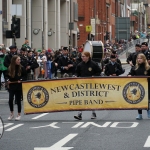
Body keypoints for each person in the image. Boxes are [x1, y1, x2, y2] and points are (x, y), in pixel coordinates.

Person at [74, 51, 102, 120]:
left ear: (88, 57)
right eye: (82, 56)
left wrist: (94, 76)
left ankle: (93, 112)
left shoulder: (93, 64)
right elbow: (77, 73)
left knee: (91, 99)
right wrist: (75, 77)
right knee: (81, 99)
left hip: (91, 84)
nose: (82, 58)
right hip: (82, 84)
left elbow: (99, 71)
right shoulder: (80, 65)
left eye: (83, 56)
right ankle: (79, 114)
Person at [128, 53, 150, 120]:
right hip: (137, 86)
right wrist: (129, 75)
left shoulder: (148, 67)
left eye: (140, 58)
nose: (139, 59)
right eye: (138, 58)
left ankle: (148, 110)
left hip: (146, 86)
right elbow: (130, 73)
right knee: (138, 100)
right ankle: (139, 114)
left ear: (144, 59)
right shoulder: (135, 68)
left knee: (146, 99)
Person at [6, 55, 27, 120]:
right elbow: (6, 76)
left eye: (19, 60)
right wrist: (8, 80)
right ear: (14, 60)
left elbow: (24, 76)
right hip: (12, 85)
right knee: (10, 99)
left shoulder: (22, 68)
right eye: (18, 60)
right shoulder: (10, 68)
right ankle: (11, 113)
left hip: (18, 86)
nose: (19, 61)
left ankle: (19, 114)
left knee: (18, 100)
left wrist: (20, 80)